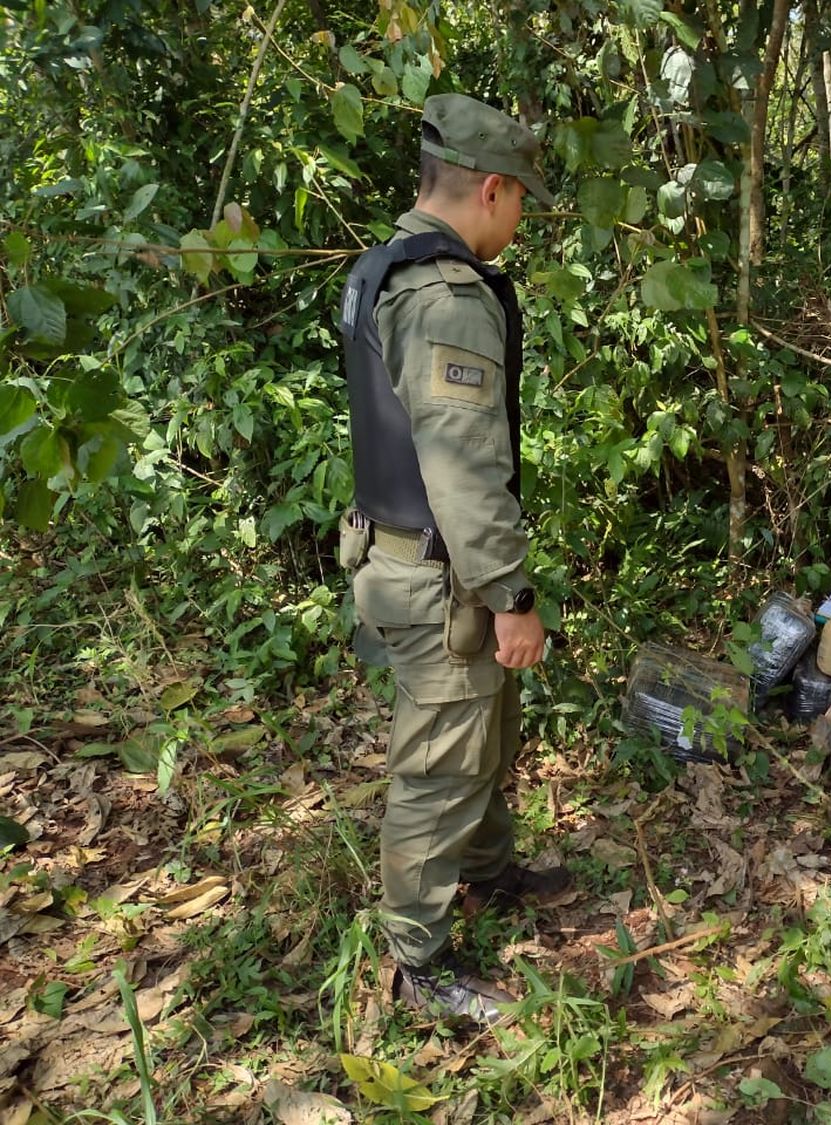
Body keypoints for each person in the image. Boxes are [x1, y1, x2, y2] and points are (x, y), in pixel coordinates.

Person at [336, 93, 571, 1023]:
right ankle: (418, 964)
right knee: (438, 768)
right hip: (442, 576)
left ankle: (490, 872)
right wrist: (510, 593)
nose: (523, 222)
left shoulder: (380, 266)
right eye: (524, 205)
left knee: (482, 734)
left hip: (411, 558)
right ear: (493, 188)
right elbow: (465, 469)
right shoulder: (446, 295)